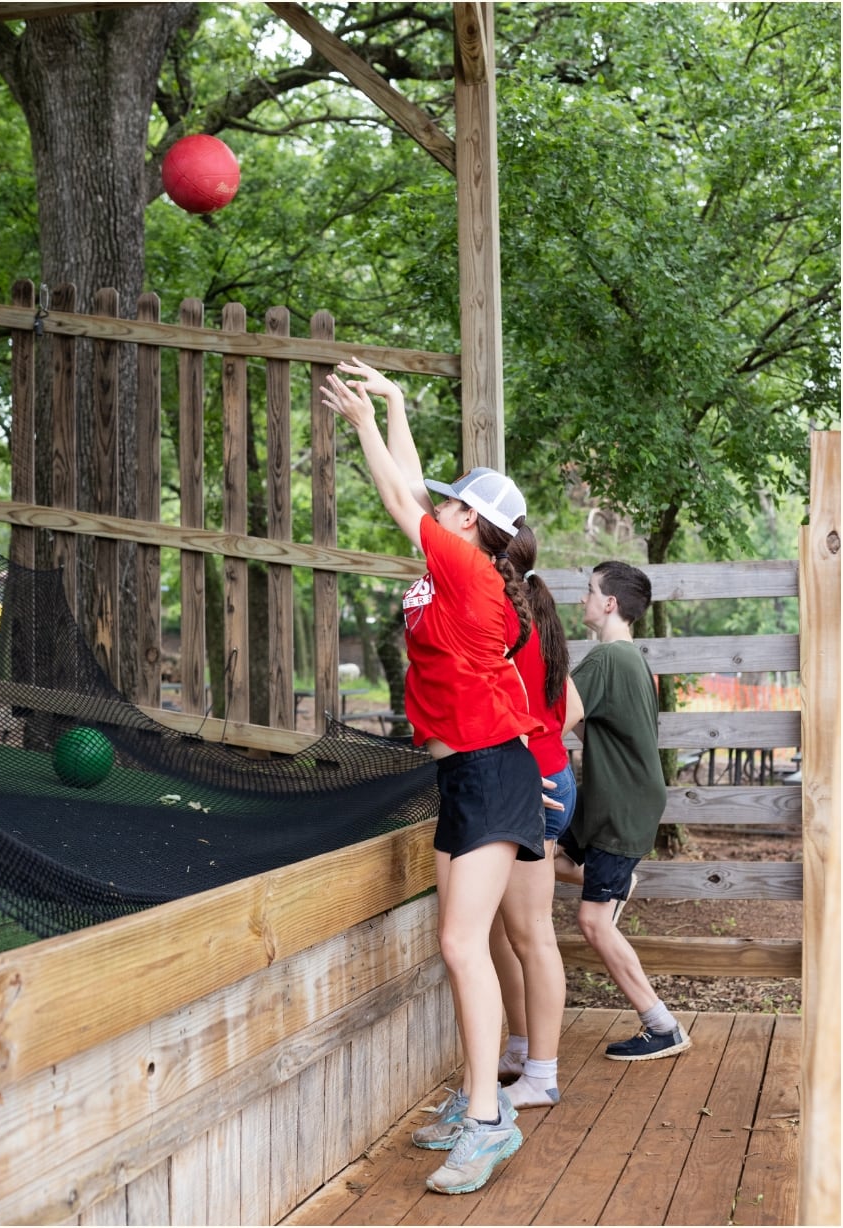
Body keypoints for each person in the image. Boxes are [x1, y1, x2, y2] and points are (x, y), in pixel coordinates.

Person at [322, 358, 545, 1195]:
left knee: (459, 943)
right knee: (463, 947)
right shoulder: (458, 560)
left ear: (472, 523)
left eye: (451, 502)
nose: (432, 504)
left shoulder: (470, 571)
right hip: (465, 777)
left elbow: (397, 496)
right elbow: (416, 490)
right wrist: (395, 401)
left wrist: (362, 425)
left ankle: (489, 1121)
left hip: (493, 773)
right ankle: (476, 1096)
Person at [554, 560, 692, 1060]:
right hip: (610, 798)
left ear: (609, 604)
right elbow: (592, 729)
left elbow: (554, 721)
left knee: (593, 923)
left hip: (621, 805)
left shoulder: (605, 660)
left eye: (589, 591)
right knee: (535, 852)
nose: (583, 599)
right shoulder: (630, 659)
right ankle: (614, 881)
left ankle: (662, 1025)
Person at [488, 524, 582, 1108]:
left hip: (533, 787)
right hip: (549, 777)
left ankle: (541, 1075)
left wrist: (528, 764)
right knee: (507, 931)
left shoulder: (504, 615)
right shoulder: (535, 611)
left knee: (532, 934)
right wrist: (543, 746)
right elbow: (570, 706)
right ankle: (523, 1049)